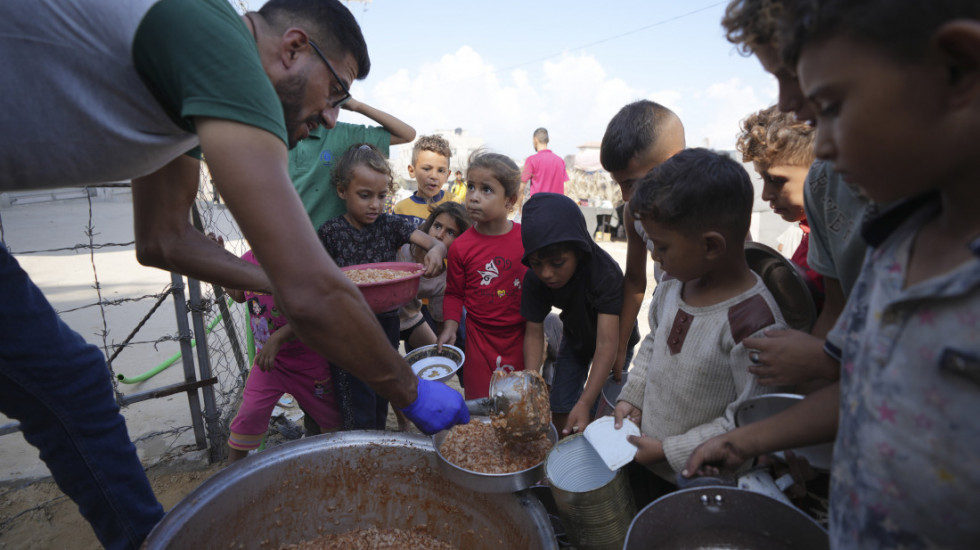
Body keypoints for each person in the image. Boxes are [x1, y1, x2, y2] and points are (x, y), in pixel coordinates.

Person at [0, 2, 470, 546]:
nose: (331, 118)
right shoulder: (224, 47)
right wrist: (408, 389)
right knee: (70, 385)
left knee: (71, 384)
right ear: (294, 47)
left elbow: (163, 239)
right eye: (334, 92)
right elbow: (311, 290)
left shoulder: (187, 91)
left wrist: (278, 284)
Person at [686, 2, 980, 547]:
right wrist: (750, 439)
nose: (818, 144)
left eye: (833, 107)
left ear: (958, 69)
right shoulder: (894, 249)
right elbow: (861, 390)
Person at [612, 148, 788, 501]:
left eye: (662, 246)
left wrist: (667, 450)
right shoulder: (675, 284)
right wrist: (634, 396)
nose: (654, 256)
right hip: (646, 458)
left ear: (711, 246)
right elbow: (653, 342)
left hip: (701, 481)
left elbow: (747, 422)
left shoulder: (753, 324)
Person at [720, 0, 871, 391]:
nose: (786, 101)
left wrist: (823, 362)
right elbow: (836, 314)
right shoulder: (825, 186)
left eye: (792, 74)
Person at [317, 143, 447, 430]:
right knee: (354, 405)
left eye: (381, 196)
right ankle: (359, 457)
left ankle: (376, 448)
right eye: (365, 196)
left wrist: (436, 251)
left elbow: (434, 243)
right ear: (342, 191)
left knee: (379, 397)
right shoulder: (331, 232)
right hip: (345, 332)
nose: (375, 204)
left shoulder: (391, 225)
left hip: (386, 325)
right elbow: (318, 279)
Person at [519, 193, 640, 436]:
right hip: (575, 338)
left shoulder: (603, 272)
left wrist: (584, 402)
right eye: (536, 263)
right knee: (561, 406)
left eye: (557, 263)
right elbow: (533, 334)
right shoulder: (535, 279)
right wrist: (532, 381)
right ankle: (562, 446)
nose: (546, 273)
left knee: (595, 410)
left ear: (579, 250)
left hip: (615, 343)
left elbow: (607, 344)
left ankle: (587, 459)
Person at [224, 250, 341, 463]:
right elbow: (238, 295)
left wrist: (278, 338)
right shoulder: (247, 260)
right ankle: (227, 479)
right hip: (269, 363)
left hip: (309, 361)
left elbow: (315, 310)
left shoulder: (298, 259)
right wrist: (222, 264)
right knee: (249, 414)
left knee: (330, 420)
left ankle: (334, 467)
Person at [599, 100, 686, 373]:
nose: (626, 197)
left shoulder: (713, 206)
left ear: (673, 161)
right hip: (666, 323)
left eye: (632, 183)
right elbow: (636, 281)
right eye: (619, 184)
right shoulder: (633, 214)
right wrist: (620, 344)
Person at [438, 150, 528, 400]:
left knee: (517, 407)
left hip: (520, 338)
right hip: (478, 341)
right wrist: (450, 325)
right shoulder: (460, 247)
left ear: (510, 201)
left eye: (486, 189)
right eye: (471, 187)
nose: (474, 197)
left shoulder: (528, 239)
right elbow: (454, 293)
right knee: (480, 408)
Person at [736, 104, 824, 310]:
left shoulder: (839, 244)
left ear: (820, 170)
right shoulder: (810, 235)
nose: (766, 195)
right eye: (763, 179)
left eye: (777, 180)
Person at [290, 99, 416, 231]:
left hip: (334, 247)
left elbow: (407, 134)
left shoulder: (341, 133)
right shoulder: (275, 134)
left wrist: (356, 105)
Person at [397, 201, 472, 353]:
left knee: (439, 354)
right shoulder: (404, 251)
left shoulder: (444, 278)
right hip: (382, 316)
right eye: (437, 226)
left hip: (410, 317)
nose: (439, 235)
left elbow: (441, 325)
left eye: (450, 232)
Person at [394, 135, 457, 227]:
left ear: (447, 175)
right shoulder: (400, 210)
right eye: (427, 169)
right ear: (412, 171)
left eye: (441, 171)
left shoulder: (455, 204)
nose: (434, 176)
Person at [518, 128, 569, 214]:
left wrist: (519, 208)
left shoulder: (531, 160)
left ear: (535, 140)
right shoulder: (560, 161)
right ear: (548, 140)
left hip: (538, 210)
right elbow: (566, 187)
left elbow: (521, 187)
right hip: (557, 210)